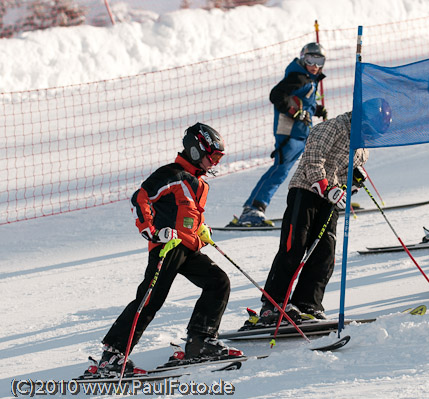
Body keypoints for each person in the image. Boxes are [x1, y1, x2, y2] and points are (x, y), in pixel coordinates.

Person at [97, 123, 242, 377]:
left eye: (218, 157)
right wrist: (151, 230)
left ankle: (201, 342)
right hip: (166, 248)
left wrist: (200, 231)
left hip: (187, 247)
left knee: (218, 281)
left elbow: (185, 214)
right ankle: (112, 356)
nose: (215, 163)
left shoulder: (199, 183)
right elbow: (140, 198)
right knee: (151, 299)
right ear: (196, 150)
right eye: (213, 156)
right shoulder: (171, 174)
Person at [241, 99, 391, 327]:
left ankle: (306, 303)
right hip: (306, 191)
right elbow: (313, 159)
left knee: (325, 252)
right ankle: (273, 304)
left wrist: (351, 184)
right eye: (369, 130)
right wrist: (326, 187)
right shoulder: (333, 127)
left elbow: (345, 177)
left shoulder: (361, 148)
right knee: (295, 246)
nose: (369, 137)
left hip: (328, 200)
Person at [230, 42, 328, 227]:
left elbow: (301, 102)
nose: (315, 65)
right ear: (302, 58)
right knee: (280, 170)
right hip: (290, 134)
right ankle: (252, 208)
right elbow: (276, 95)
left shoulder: (307, 79)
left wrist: (316, 110)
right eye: (310, 60)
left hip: (301, 133)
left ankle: (323, 202)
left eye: (319, 60)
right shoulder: (298, 77)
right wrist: (294, 112)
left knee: (314, 166)